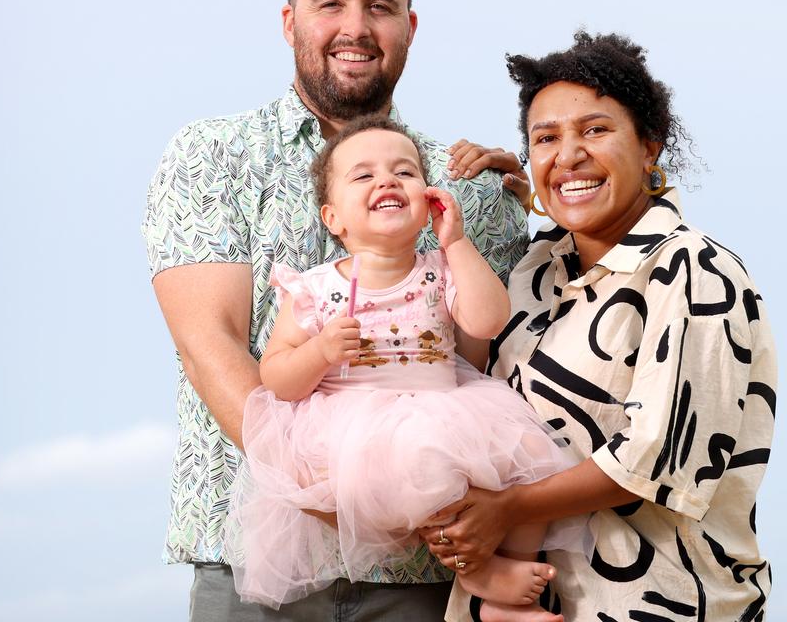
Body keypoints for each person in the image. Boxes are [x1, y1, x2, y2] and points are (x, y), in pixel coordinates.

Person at [142, 0, 527, 622]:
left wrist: (534, 201)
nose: (356, 26)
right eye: (330, 4)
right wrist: (326, 496)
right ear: (289, 21)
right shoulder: (213, 155)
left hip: (422, 569)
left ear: (410, 26)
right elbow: (212, 348)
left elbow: (499, 352)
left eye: (379, 7)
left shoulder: (464, 188)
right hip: (259, 564)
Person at [422, 32, 778, 621]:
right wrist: (501, 199)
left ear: (649, 148)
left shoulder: (693, 270)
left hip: (655, 603)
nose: (568, 154)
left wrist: (505, 510)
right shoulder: (533, 268)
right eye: (546, 139)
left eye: (594, 130)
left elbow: (653, 458)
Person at [226, 116, 584, 621]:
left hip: (446, 404)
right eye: (363, 175)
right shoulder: (314, 287)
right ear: (334, 218)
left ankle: (506, 578)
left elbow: (489, 318)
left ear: (428, 202)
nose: (387, 181)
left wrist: (457, 243)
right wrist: (321, 352)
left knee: (531, 455)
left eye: (405, 172)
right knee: (421, 460)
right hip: (355, 427)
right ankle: (476, 572)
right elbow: (276, 378)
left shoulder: (441, 268)